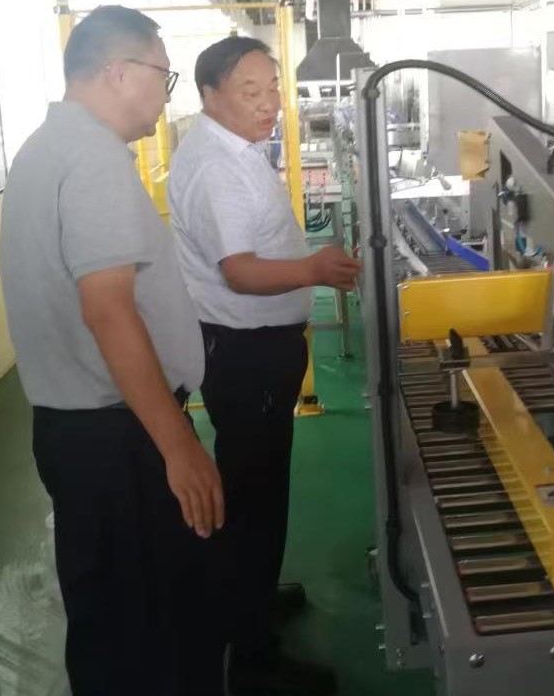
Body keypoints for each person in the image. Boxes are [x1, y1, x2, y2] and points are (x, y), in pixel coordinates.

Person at [0, 6, 226, 696]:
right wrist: (178, 445)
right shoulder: (92, 159)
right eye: (164, 74)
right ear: (118, 71)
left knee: (111, 625)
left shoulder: (46, 149)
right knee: (155, 635)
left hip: (82, 433)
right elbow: (108, 310)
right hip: (120, 439)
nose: (167, 94)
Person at [168, 36, 360, 696]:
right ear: (210, 95)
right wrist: (314, 269)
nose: (269, 103)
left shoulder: (234, 149)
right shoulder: (216, 168)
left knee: (256, 489)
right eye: (250, 92)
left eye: (273, 88)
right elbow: (241, 272)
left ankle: (247, 598)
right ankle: (251, 659)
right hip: (245, 353)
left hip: (253, 348)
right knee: (254, 500)